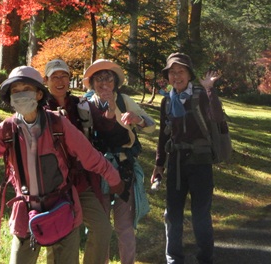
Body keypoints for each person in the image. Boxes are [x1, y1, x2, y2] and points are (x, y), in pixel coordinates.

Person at [0, 65, 124, 264]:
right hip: (26, 214)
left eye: (26, 89)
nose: (21, 95)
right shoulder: (7, 129)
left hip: (62, 208)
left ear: (39, 94)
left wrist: (115, 180)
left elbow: (90, 156)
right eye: (15, 91)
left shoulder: (58, 124)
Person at [151, 53, 225, 264]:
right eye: (172, 72)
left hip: (200, 163)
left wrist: (210, 90)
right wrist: (159, 164)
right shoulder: (167, 101)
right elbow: (164, 134)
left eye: (181, 71)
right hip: (176, 163)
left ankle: (205, 258)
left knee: (200, 214)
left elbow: (217, 117)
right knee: (172, 215)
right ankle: (174, 259)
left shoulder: (201, 95)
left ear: (189, 74)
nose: (176, 76)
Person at [83, 59, 155, 264]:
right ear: (92, 83)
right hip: (97, 170)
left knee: (124, 226)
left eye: (108, 79)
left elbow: (151, 126)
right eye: (99, 79)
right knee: (101, 226)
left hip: (123, 168)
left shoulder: (124, 101)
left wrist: (137, 119)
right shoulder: (86, 104)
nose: (104, 83)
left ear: (115, 82)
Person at [43, 59, 112, 264]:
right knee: (60, 236)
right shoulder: (40, 108)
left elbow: (105, 126)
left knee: (102, 228)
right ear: (46, 80)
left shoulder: (81, 105)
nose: (60, 81)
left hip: (81, 182)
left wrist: (113, 109)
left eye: (64, 76)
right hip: (54, 185)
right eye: (55, 77)